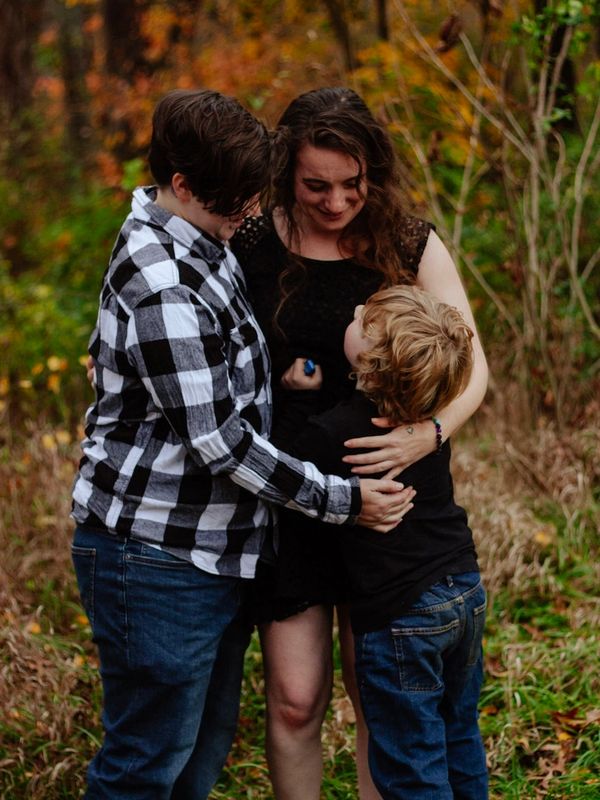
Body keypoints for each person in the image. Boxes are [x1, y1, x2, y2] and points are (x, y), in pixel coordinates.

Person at [70, 88, 413, 800]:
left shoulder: (203, 238)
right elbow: (221, 444)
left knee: (195, 761)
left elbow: (227, 364)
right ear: (181, 184)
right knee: (144, 766)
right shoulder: (160, 280)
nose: (249, 217)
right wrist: (345, 501)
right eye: (234, 205)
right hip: (156, 555)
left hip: (214, 552)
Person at [230, 86, 488, 799]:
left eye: (352, 184)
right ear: (287, 172)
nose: (337, 201)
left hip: (391, 505)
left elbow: (473, 364)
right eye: (317, 186)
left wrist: (427, 434)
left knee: (383, 690)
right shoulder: (251, 239)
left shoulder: (408, 241)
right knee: (294, 696)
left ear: (373, 171)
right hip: (296, 493)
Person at [275, 285, 488, 798]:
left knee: (412, 763)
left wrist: (296, 392)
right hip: (463, 589)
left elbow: (283, 476)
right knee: (458, 733)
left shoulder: (336, 435)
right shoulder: (424, 422)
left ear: (369, 362)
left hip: (402, 614)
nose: (352, 310)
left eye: (364, 319)